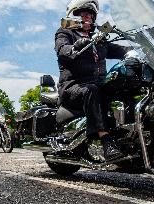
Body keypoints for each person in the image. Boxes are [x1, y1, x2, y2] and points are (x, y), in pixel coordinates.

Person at [55, 0, 129, 160]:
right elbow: (62, 50)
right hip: (73, 86)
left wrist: (140, 48)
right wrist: (75, 46)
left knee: (121, 84)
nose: (87, 16)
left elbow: (121, 50)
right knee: (92, 90)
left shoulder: (99, 39)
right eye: (83, 13)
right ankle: (105, 140)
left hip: (98, 84)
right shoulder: (65, 32)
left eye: (90, 13)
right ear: (73, 15)